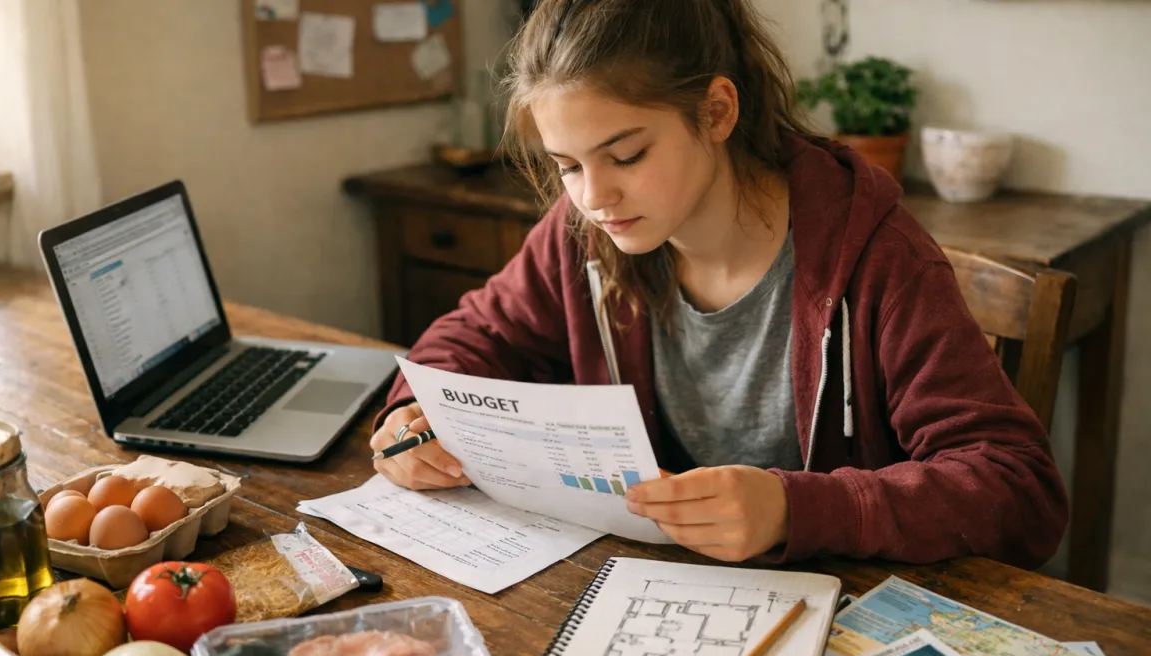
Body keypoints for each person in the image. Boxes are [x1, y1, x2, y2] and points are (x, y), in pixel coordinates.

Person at [370, 0, 1068, 568]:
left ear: (716, 112)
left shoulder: (880, 257)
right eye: (567, 165)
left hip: (833, 609)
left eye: (627, 154)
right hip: (649, 590)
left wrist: (795, 508)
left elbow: (1018, 486)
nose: (593, 196)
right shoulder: (582, 232)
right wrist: (411, 416)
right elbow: (474, 336)